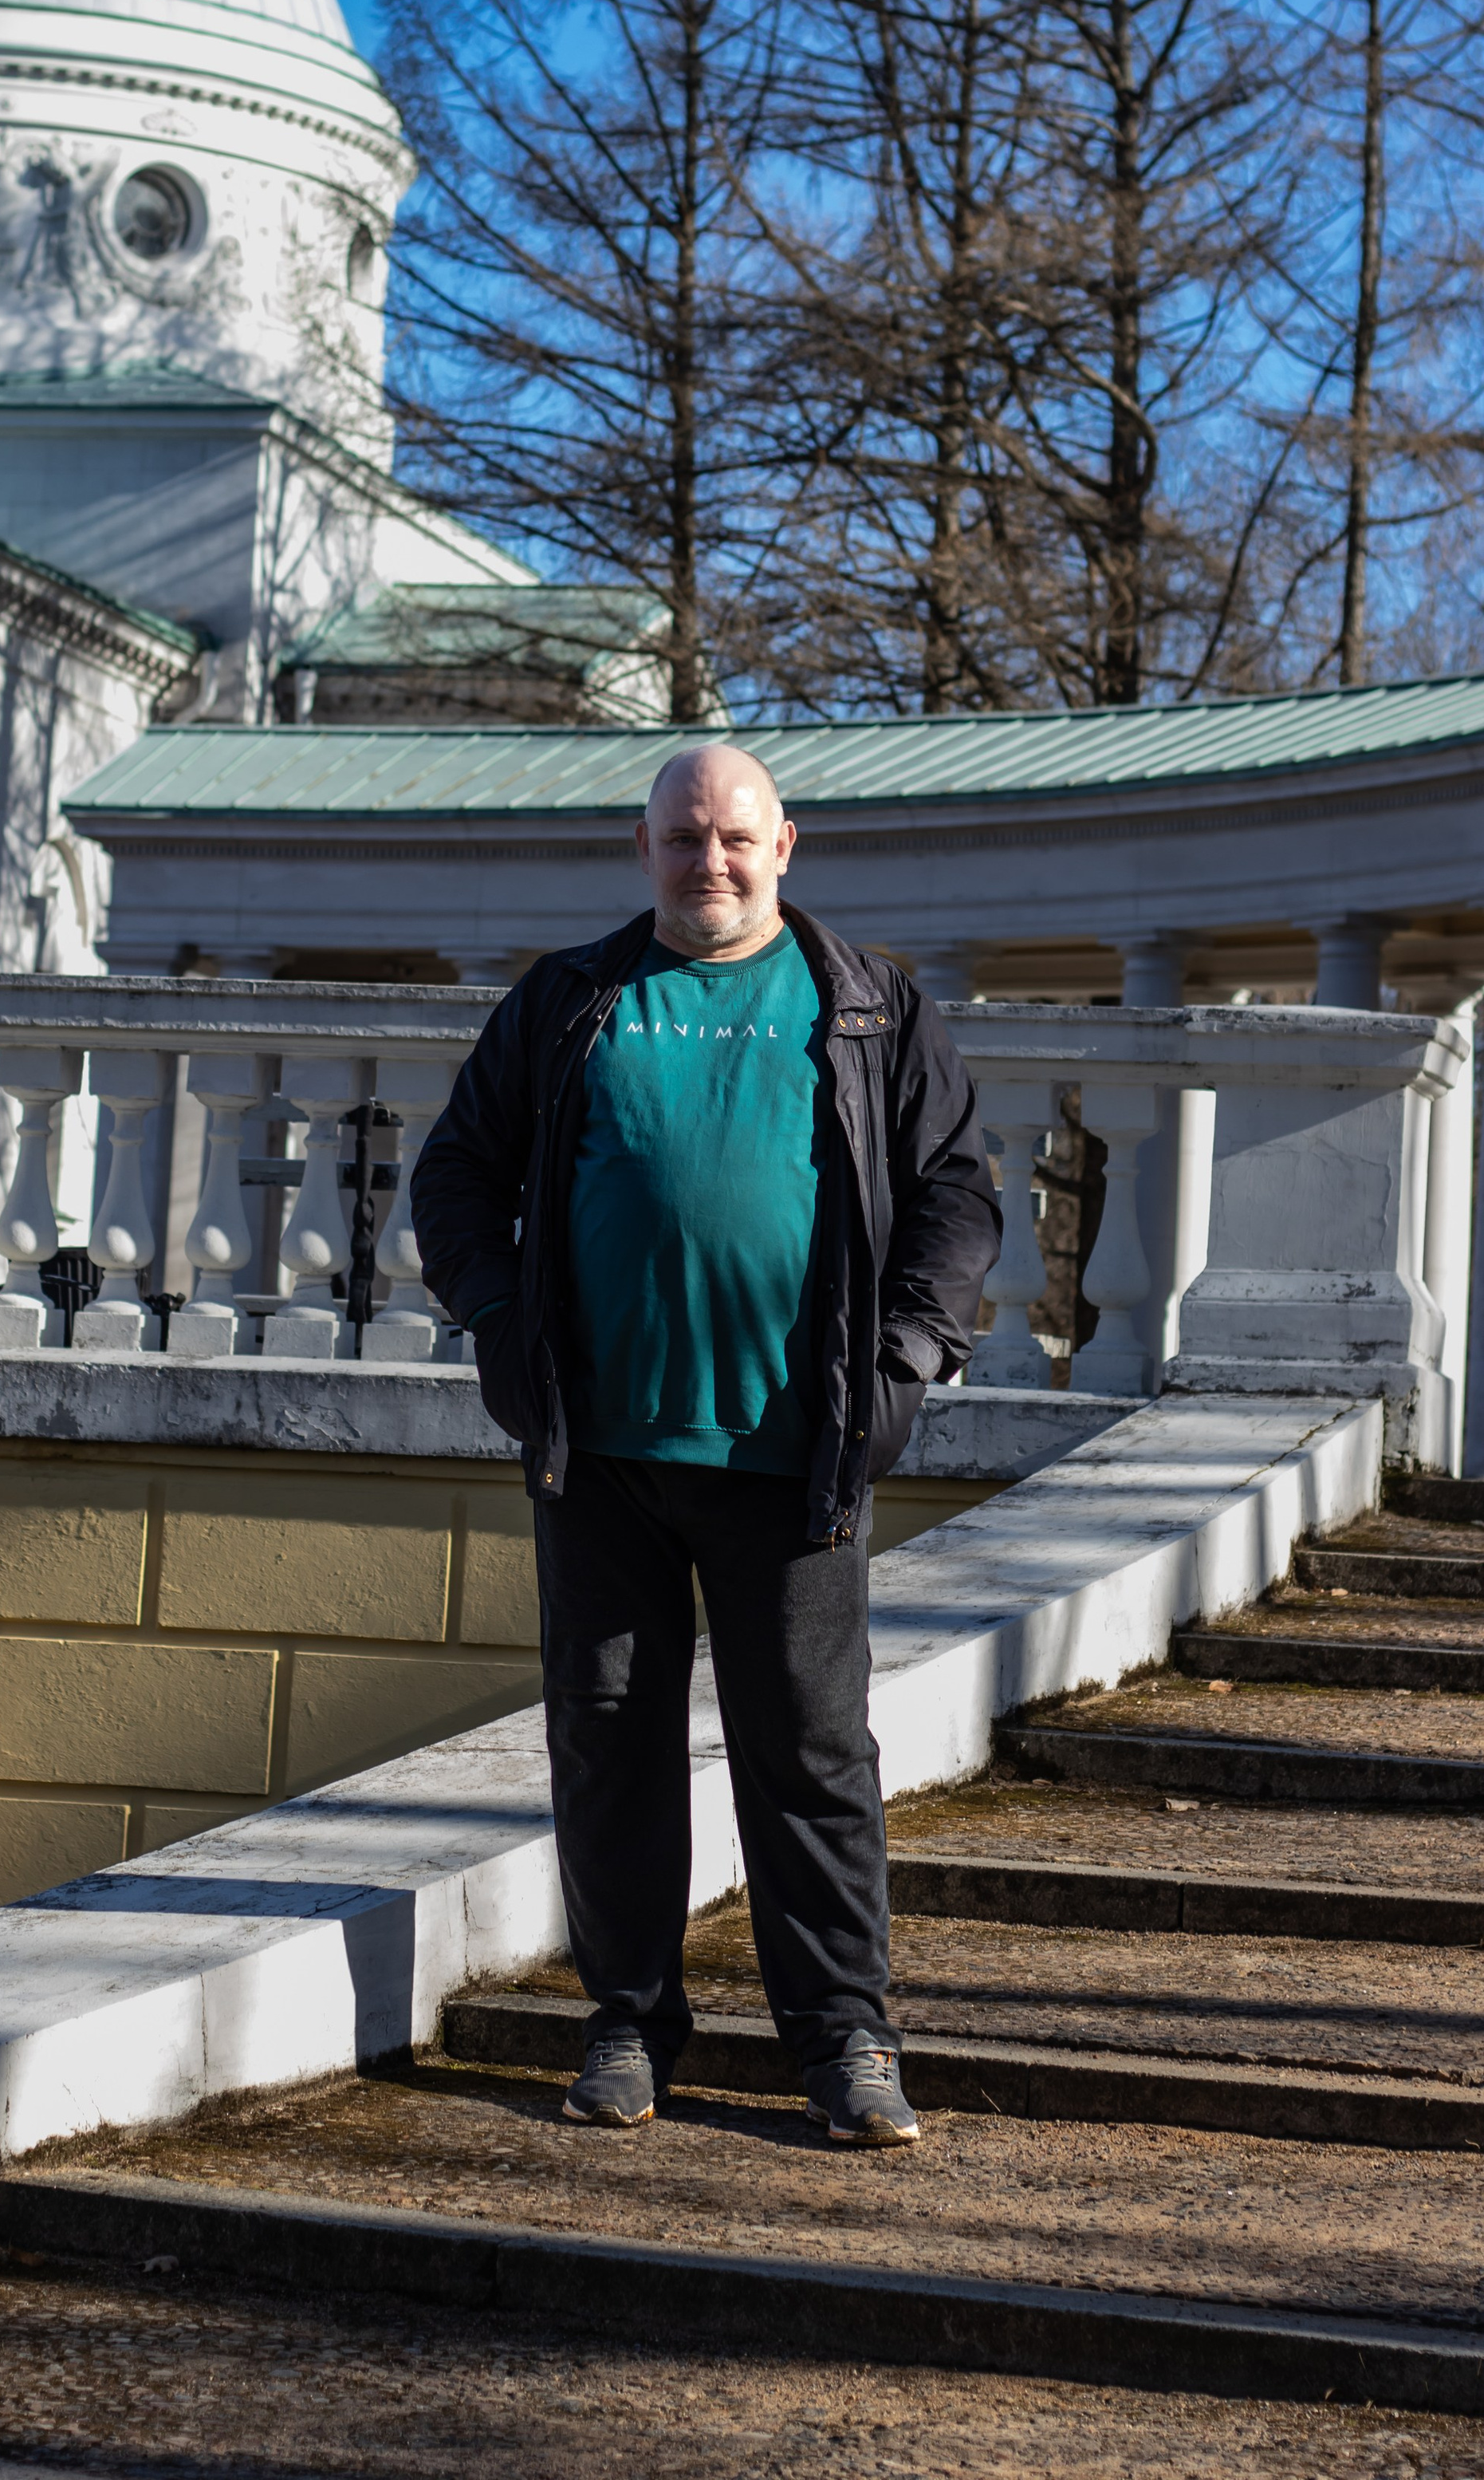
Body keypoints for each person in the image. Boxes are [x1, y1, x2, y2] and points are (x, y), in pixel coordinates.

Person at [412, 743, 1001, 2147]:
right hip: (600, 1451)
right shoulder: (568, 1002)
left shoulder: (868, 1008)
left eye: (735, 838)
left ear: (785, 844)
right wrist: (500, 1324)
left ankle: (846, 2038)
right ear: (644, 848)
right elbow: (454, 1173)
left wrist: (908, 1359)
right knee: (607, 1743)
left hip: (794, 1454)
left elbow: (957, 1202)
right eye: (684, 839)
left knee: (808, 1752)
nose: (711, 863)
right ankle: (627, 2020)